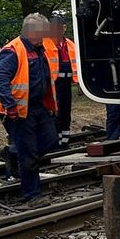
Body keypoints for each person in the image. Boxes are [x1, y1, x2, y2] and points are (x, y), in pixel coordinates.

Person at [0, 14, 59, 204]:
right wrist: (10, 106)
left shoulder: (38, 49)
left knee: (51, 140)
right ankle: (32, 195)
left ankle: (13, 153)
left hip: (37, 106)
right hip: (18, 110)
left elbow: (44, 78)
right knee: (29, 153)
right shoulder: (13, 51)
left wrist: (50, 104)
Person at [45, 14, 78, 145]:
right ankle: (56, 140)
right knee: (56, 111)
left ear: (64, 28)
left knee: (66, 110)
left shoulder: (69, 44)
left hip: (67, 82)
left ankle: (65, 139)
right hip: (54, 82)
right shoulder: (45, 43)